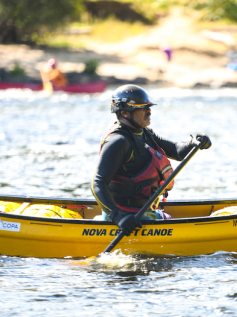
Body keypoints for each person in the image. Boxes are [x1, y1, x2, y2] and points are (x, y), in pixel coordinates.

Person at [91, 85, 212, 236]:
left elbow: (176, 150)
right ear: (124, 113)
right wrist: (118, 217)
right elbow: (97, 182)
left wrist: (194, 142)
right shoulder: (118, 141)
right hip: (128, 220)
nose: (149, 111)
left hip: (144, 212)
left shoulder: (144, 133)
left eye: (149, 107)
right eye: (143, 108)